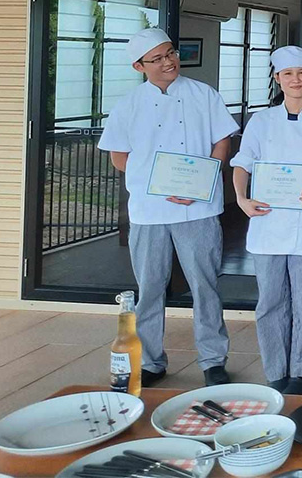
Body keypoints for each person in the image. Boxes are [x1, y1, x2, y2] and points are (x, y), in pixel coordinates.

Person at [97, 27, 237, 387]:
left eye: (171, 53)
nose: (168, 62)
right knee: (150, 286)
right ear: (139, 66)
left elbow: (222, 141)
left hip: (198, 209)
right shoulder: (128, 104)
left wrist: (202, 181)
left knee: (205, 284)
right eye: (157, 59)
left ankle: (212, 359)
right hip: (148, 210)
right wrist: (157, 185)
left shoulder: (204, 94)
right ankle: (151, 361)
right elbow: (118, 157)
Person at [230, 45, 302, 395]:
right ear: (277, 79)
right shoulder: (261, 121)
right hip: (267, 222)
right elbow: (242, 163)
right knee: (270, 301)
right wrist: (241, 198)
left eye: (301, 73)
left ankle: (301, 369)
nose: (295, 80)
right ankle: (275, 369)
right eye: (287, 74)